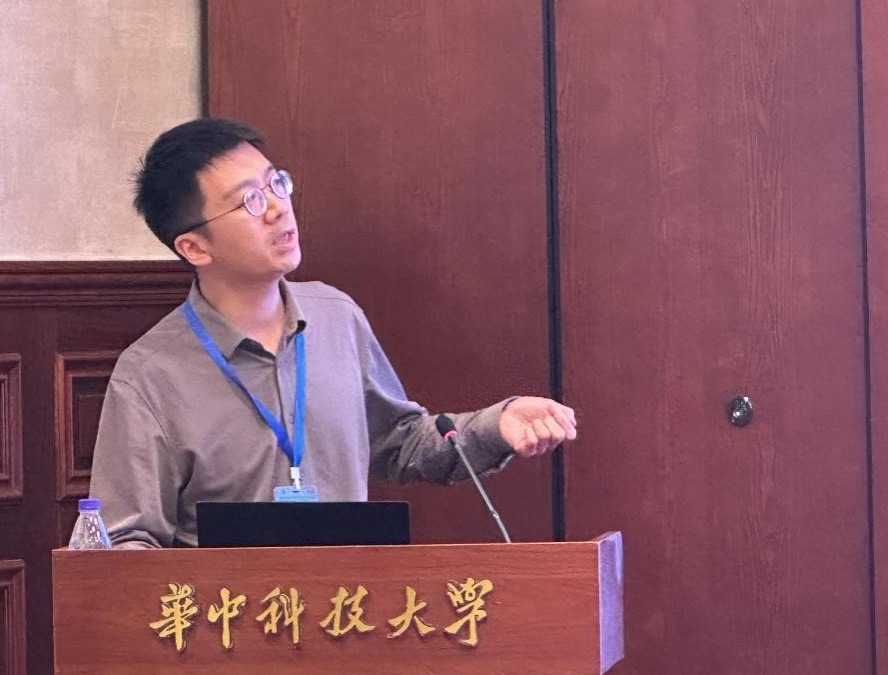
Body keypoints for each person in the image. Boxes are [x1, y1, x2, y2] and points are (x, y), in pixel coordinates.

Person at [88, 117, 577, 548]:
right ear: (195, 247)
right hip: (226, 619)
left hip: (347, 611)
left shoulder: (336, 317)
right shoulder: (150, 376)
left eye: (276, 183)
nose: (278, 208)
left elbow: (400, 444)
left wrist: (496, 426)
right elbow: (125, 540)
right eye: (250, 201)